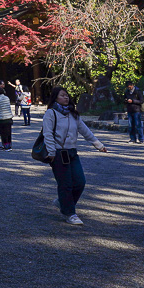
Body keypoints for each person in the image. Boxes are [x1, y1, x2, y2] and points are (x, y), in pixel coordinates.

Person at [43, 86, 108, 225]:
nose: (66, 98)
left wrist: (99, 145)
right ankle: (70, 213)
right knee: (65, 184)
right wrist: (51, 152)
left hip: (72, 152)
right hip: (58, 152)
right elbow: (47, 134)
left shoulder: (73, 114)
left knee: (80, 182)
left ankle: (62, 202)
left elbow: (85, 131)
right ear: (55, 98)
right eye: (62, 95)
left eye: (67, 95)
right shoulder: (51, 113)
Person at [0, 86, 13, 150]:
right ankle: (9, 145)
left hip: (2, 118)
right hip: (9, 117)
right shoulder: (7, 98)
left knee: (3, 133)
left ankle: (5, 145)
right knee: (8, 133)